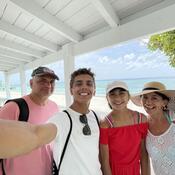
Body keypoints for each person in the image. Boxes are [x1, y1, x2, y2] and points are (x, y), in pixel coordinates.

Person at [0, 66, 59, 175]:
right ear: (31, 83)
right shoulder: (14, 107)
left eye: (52, 82)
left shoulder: (55, 107)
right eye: (42, 81)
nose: (48, 85)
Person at [48, 68, 102, 175]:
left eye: (89, 84)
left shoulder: (97, 118)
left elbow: (100, 154)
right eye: (79, 84)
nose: (84, 87)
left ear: (94, 90)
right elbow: (37, 134)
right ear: (71, 90)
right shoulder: (60, 118)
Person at [100, 81, 150, 175]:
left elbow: (144, 154)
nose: (117, 98)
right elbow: (104, 160)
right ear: (107, 98)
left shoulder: (141, 119)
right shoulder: (105, 124)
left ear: (128, 97)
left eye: (122, 93)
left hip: (135, 171)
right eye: (112, 94)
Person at [131, 81, 175, 175]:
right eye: (145, 97)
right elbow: (144, 159)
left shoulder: (173, 119)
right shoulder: (142, 126)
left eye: (154, 98)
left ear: (164, 102)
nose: (148, 102)